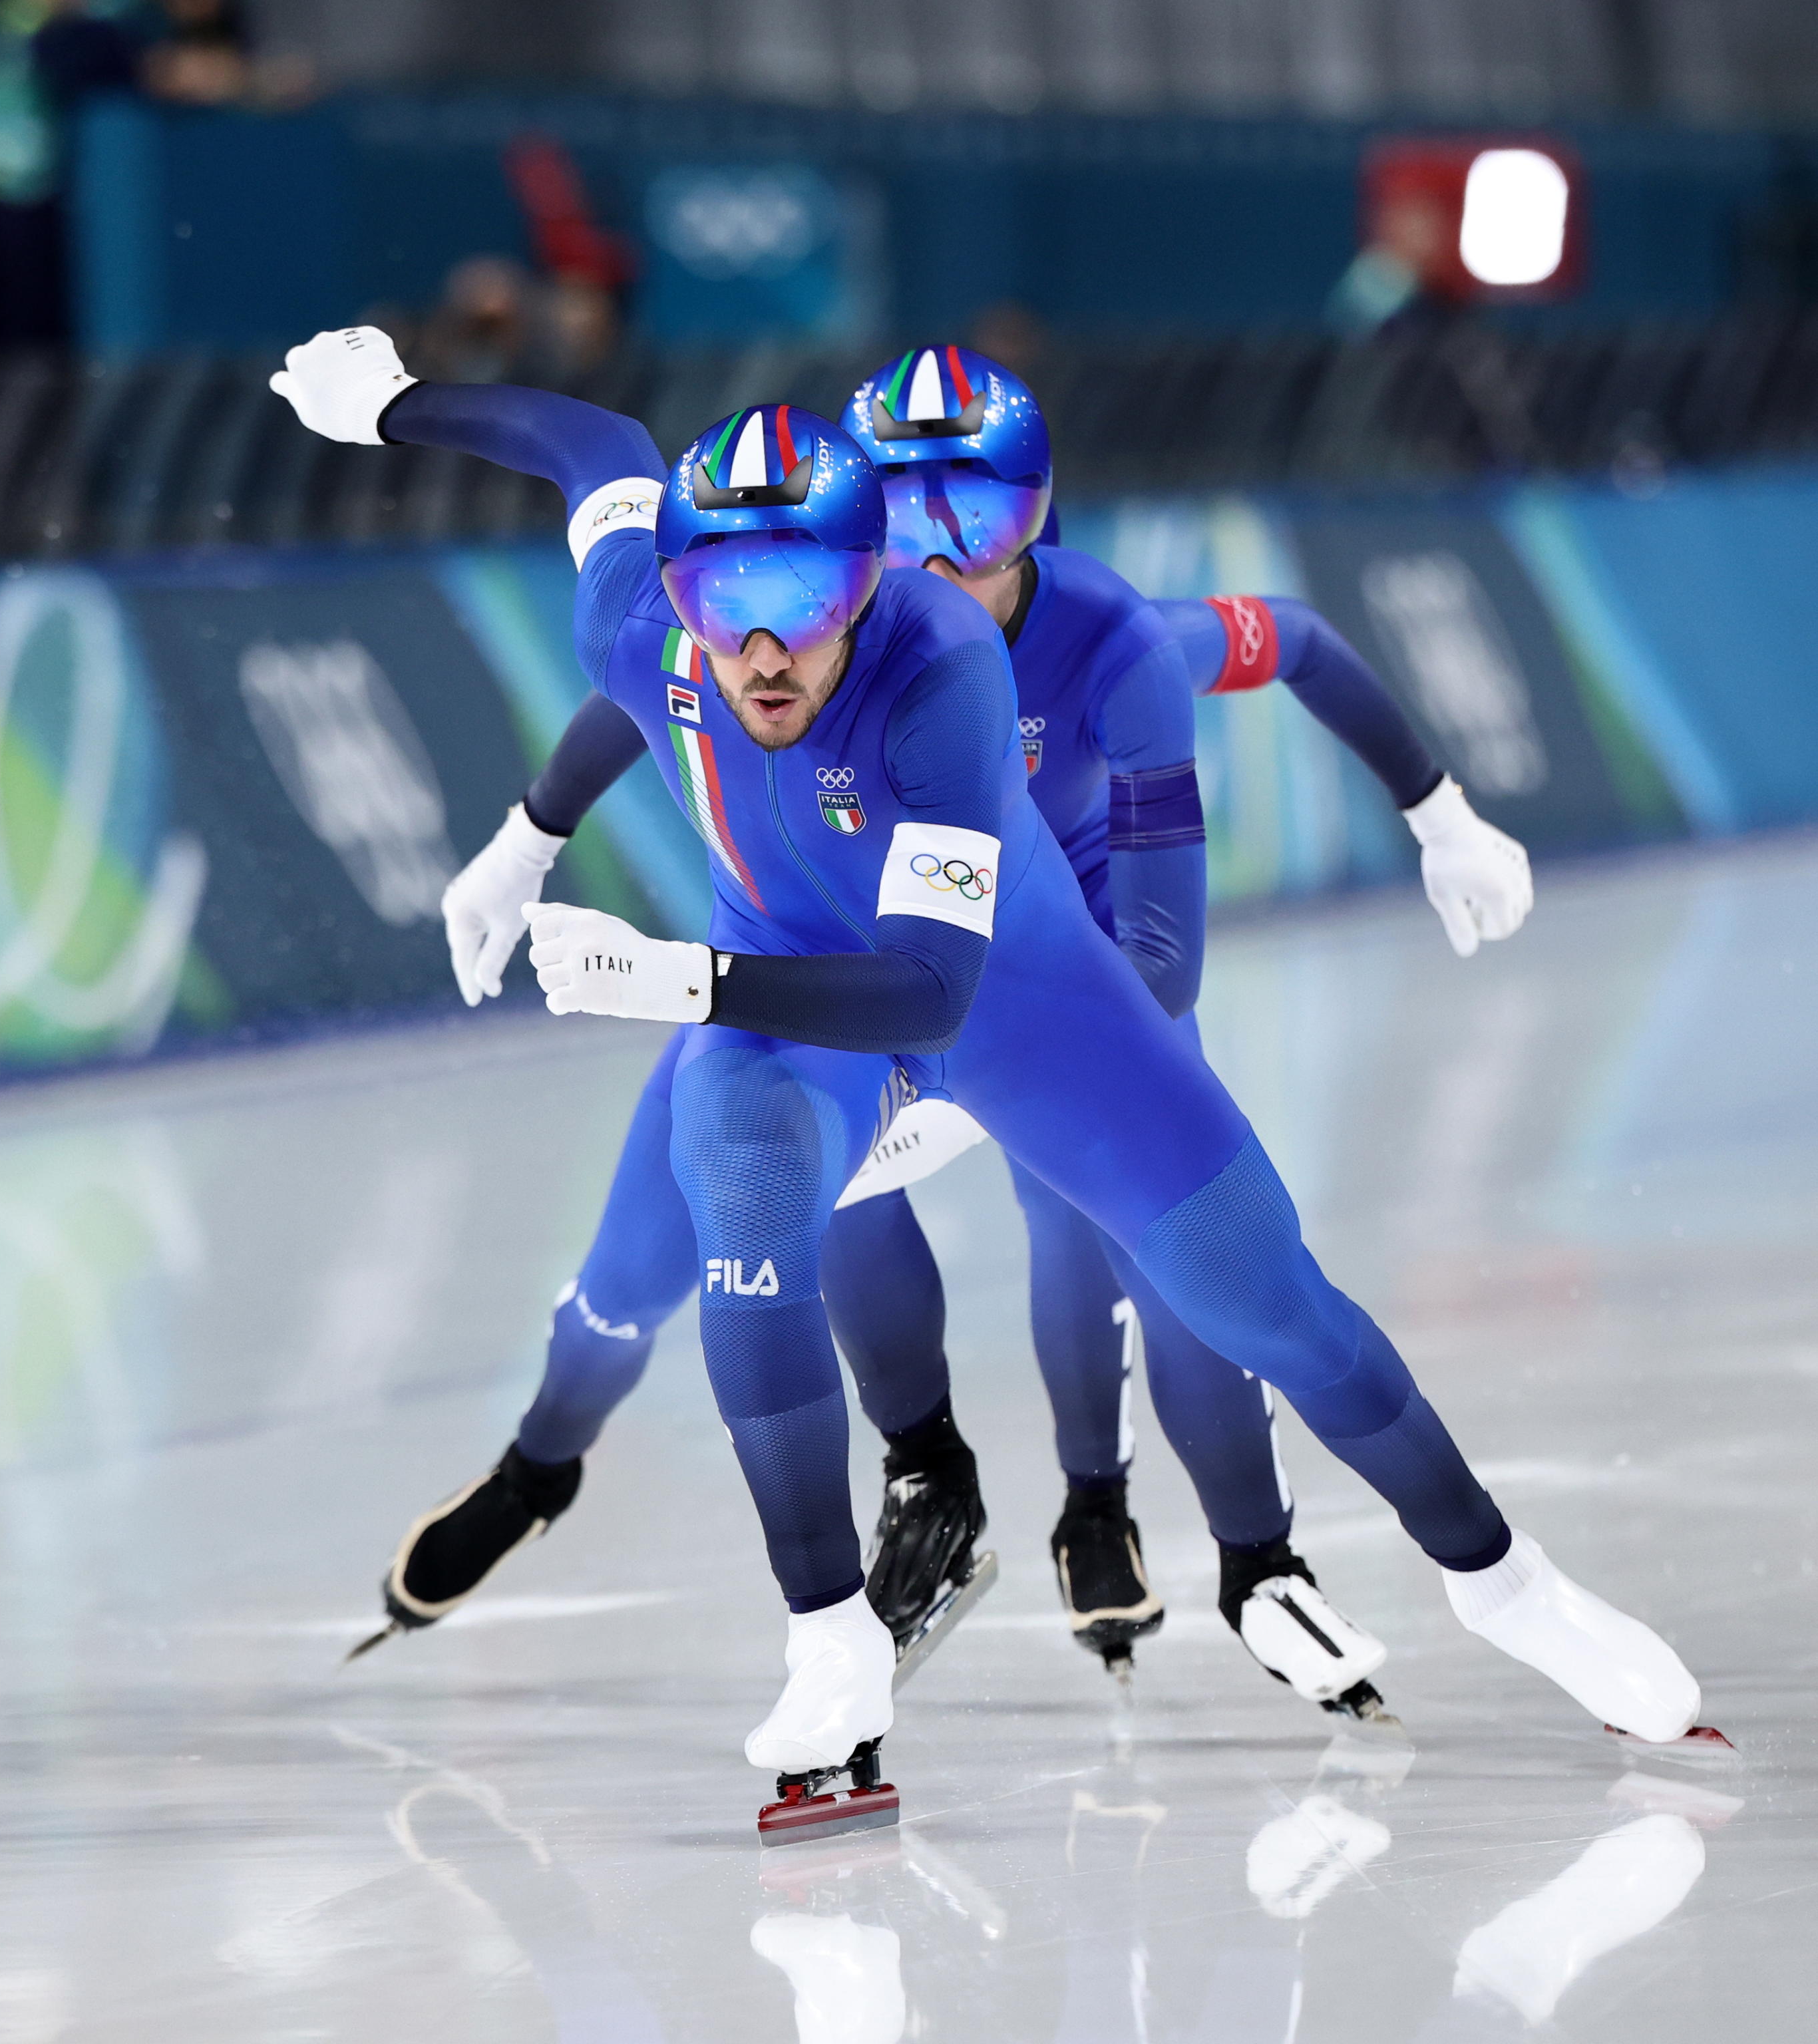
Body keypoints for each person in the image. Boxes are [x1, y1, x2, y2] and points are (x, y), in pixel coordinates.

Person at [272, 329, 1702, 1828]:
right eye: (727, 606)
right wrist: (395, 409)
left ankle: (1505, 1585)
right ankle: (831, 1638)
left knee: (1270, 1307)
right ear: (678, 599)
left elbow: (936, 993)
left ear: (871, 582)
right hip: (798, 1023)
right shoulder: (642, 630)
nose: (765, 653)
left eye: (809, 604)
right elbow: (598, 447)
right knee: (742, 1198)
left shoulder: (943, 667)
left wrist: (680, 979)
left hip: (1020, 1003)